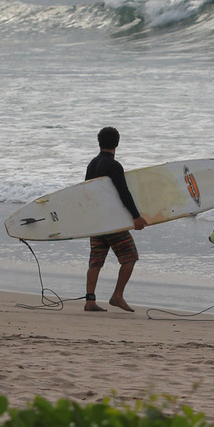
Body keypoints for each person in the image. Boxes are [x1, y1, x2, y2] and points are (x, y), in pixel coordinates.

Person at [84, 127, 147, 312]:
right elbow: (123, 193)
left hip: (96, 221)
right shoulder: (114, 166)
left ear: (99, 142)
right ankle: (117, 295)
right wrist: (136, 217)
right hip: (111, 222)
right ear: (117, 143)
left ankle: (90, 300)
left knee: (96, 260)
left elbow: (86, 192)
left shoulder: (92, 164)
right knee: (130, 257)